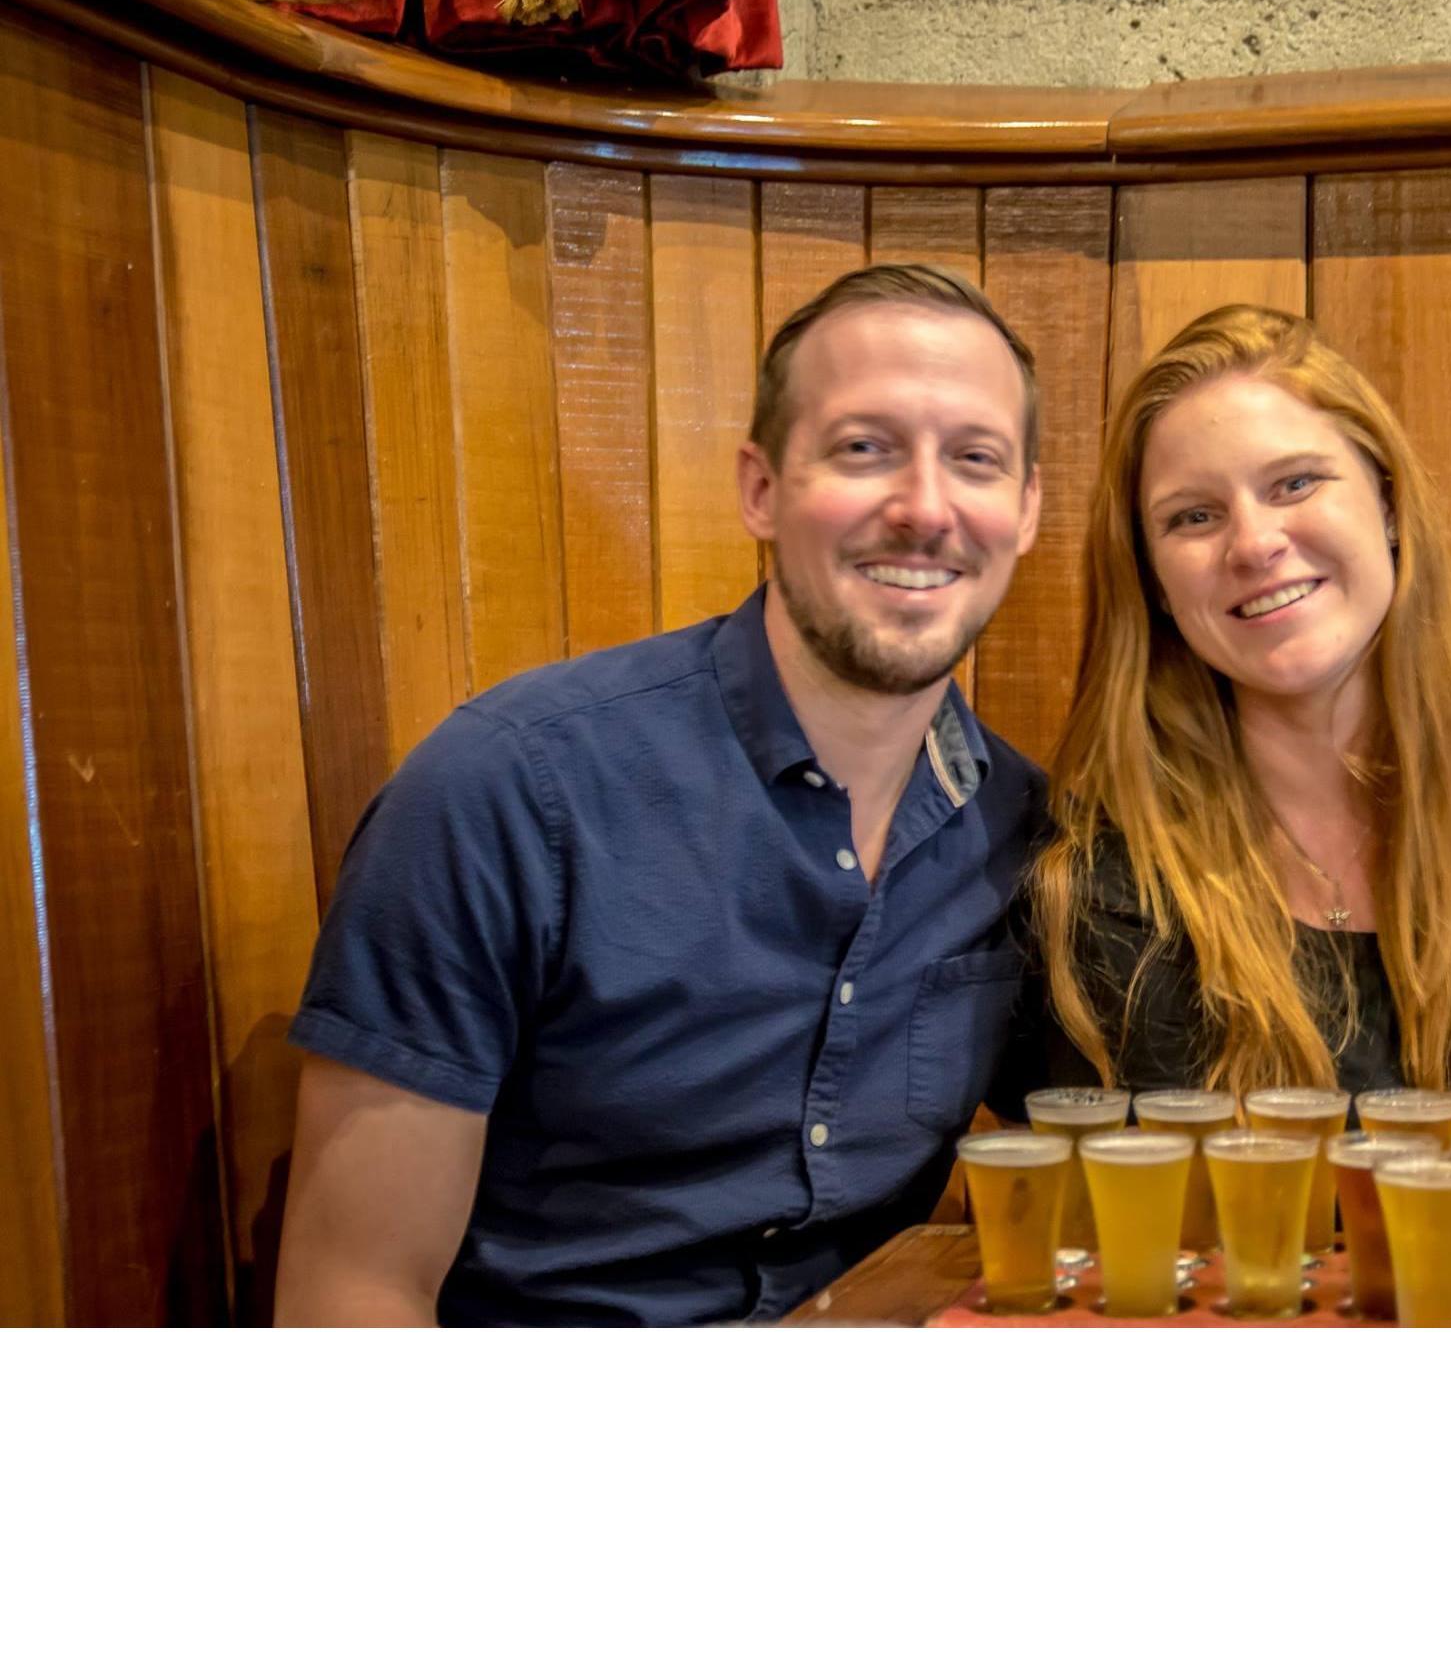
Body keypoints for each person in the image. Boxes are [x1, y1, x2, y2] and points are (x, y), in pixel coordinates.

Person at [274, 264, 1045, 1324]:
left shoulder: (1021, 827)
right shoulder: (507, 788)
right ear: (759, 490)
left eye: (975, 459)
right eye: (863, 448)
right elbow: (354, 1290)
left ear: (1026, 510)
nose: (923, 507)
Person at [1029, 305, 1451, 1234]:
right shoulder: (1101, 866)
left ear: (1388, 501)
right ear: (1155, 580)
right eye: (1193, 516)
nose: (1252, 542)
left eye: (1295, 482)